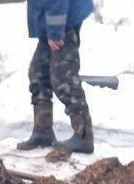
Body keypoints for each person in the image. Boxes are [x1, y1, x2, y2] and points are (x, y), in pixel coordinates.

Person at [17, 0, 96, 155]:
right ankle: (43, 131)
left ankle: (84, 136)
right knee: (39, 73)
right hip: (52, 18)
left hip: (63, 18)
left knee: (63, 78)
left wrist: (55, 31)